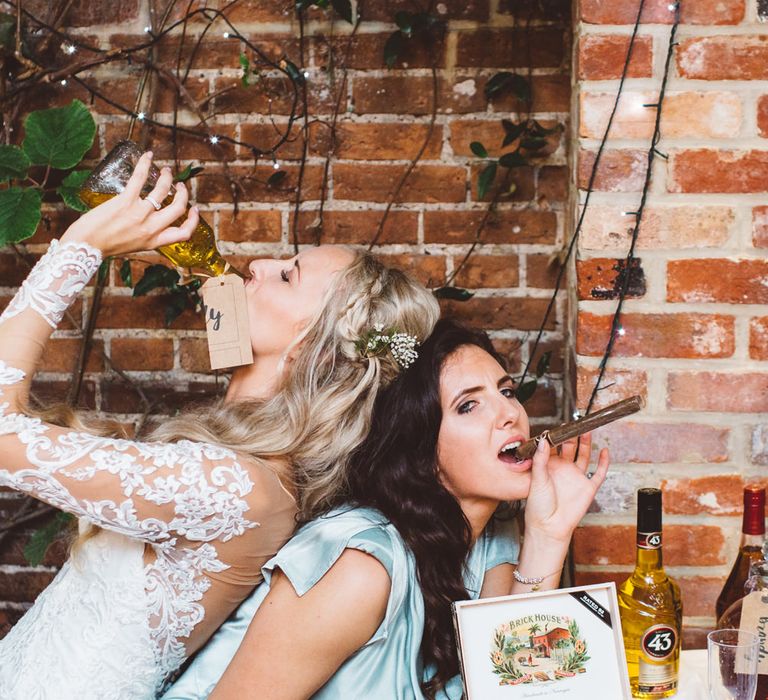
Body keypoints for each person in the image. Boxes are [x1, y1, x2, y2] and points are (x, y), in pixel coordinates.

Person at [0, 151, 439, 699]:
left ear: (314, 352)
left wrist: (80, 246)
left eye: (287, 274)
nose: (256, 267)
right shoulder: (243, 468)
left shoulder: (239, 488)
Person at [164, 318, 610, 699]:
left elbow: (518, 689)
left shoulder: (494, 534)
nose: (510, 414)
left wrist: (550, 535)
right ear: (418, 445)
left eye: (507, 391)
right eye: (469, 405)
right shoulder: (359, 566)